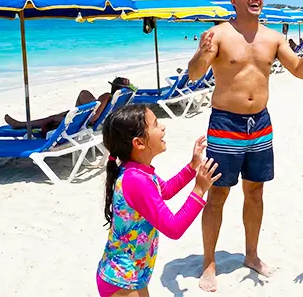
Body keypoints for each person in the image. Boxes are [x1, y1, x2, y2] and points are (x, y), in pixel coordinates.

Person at [187, 0, 303, 292]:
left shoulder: (273, 38)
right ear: (234, 0)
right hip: (226, 125)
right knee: (218, 194)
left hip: (261, 125)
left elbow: (300, 72)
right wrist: (201, 52)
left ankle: (251, 255)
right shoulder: (218, 35)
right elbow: (194, 74)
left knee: (256, 193)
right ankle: (209, 263)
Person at [95, 104, 222, 297]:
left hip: (133, 274)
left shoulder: (138, 171)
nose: (163, 127)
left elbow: (166, 190)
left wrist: (193, 164)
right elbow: (174, 228)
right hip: (121, 279)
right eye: (155, 125)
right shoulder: (135, 180)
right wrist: (199, 189)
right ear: (139, 143)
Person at [4, 77, 134, 133]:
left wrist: (83, 112)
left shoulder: (106, 96)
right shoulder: (117, 100)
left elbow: (94, 118)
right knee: (60, 114)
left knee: (51, 118)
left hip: (82, 123)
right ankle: (21, 123)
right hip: (93, 122)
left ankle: (20, 124)